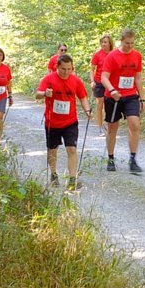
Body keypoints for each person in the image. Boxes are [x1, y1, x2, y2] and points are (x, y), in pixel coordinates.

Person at [36, 54, 92, 190]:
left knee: (72, 149)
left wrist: (87, 110)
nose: (66, 72)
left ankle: (72, 180)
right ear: (57, 67)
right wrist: (45, 94)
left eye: (69, 69)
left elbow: (82, 97)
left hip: (70, 121)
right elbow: (37, 94)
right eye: (63, 69)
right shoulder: (48, 79)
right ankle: (54, 174)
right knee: (52, 150)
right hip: (52, 122)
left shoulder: (76, 81)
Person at [101, 29, 144, 173]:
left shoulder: (137, 55)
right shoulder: (112, 56)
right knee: (113, 127)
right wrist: (112, 90)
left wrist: (142, 97)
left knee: (135, 124)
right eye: (127, 43)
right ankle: (111, 158)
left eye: (132, 43)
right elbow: (104, 77)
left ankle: (133, 159)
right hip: (113, 96)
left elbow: (138, 77)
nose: (130, 46)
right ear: (121, 41)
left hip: (130, 95)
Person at [90, 34, 114, 130]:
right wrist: (92, 81)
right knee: (100, 103)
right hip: (99, 81)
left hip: (110, 82)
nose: (103, 44)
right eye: (102, 42)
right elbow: (92, 69)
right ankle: (100, 126)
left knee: (108, 104)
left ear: (109, 43)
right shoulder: (97, 54)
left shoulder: (113, 54)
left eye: (105, 42)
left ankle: (107, 123)